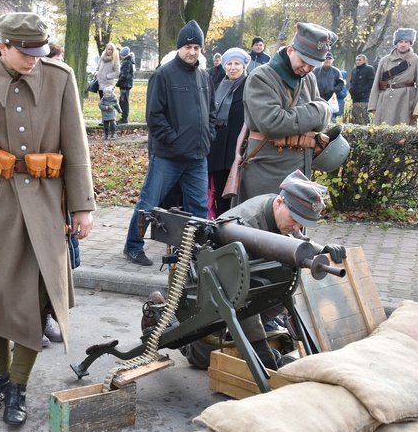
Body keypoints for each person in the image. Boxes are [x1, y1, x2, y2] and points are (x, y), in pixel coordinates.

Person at [0, 12, 95, 426]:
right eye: (24, 52)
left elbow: (76, 144)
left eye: (38, 52)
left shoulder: (60, 78)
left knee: (36, 299)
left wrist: (82, 205)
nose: (33, 60)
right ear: (3, 46)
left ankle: (19, 386)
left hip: (46, 203)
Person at [180, 170, 347, 370]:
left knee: (281, 287)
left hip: (242, 285)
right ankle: (158, 319)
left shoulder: (279, 212)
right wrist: (262, 355)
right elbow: (239, 297)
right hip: (208, 291)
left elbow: (295, 241)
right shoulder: (245, 225)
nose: (296, 228)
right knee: (202, 360)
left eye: (301, 224)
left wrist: (322, 250)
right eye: (295, 220)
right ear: (279, 203)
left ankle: (244, 332)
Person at [123, 20, 217, 266]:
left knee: (198, 207)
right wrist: (173, 140)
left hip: (197, 156)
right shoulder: (164, 75)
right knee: (149, 202)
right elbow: (154, 116)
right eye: (188, 46)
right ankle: (133, 246)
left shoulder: (205, 77)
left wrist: (208, 136)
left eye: (197, 47)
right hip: (168, 156)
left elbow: (212, 113)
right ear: (179, 48)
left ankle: (196, 250)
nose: (192, 51)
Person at [237, 22, 335, 203]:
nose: (307, 69)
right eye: (304, 61)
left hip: (299, 169)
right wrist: (319, 110)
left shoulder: (309, 78)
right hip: (267, 170)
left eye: (313, 65)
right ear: (290, 50)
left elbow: (320, 123)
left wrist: (319, 113)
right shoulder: (262, 77)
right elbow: (273, 123)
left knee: (295, 228)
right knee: (262, 227)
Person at [207, 48, 250, 219]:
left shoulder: (250, 87)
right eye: (229, 64)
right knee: (220, 197)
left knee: (238, 198)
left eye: (237, 64)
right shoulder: (218, 87)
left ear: (243, 66)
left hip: (239, 151)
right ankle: (221, 233)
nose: (233, 67)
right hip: (217, 153)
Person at [368, 28, 418, 126]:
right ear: (396, 43)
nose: (403, 45)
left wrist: (416, 106)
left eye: (406, 42)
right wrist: (373, 105)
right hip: (386, 99)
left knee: (404, 132)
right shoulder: (384, 60)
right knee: (383, 130)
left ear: (410, 43)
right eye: (400, 41)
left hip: (406, 100)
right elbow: (376, 84)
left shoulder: (416, 60)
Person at [313, 52, 345, 122]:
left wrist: (332, 90)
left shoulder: (336, 72)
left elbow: (341, 85)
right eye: (325, 58)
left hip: (330, 99)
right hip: (317, 98)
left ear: (332, 60)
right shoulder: (316, 70)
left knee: (330, 120)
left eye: (329, 59)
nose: (327, 60)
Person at [349, 54, 375, 124]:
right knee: (355, 114)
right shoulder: (354, 70)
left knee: (364, 114)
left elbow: (371, 82)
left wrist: (362, 90)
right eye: (356, 60)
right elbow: (352, 81)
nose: (357, 62)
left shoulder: (369, 69)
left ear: (365, 60)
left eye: (359, 60)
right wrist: (351, 89)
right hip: (355, 96)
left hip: (364, 95)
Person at [116, 46, 134, 124]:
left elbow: (124, 75)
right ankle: (123, 117)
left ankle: (124, 118)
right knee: (123, 100)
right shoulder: (129, 61)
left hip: (125, 85)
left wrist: (118, 83)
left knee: (123, 101)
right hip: (127, 84)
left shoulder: (126, 62)